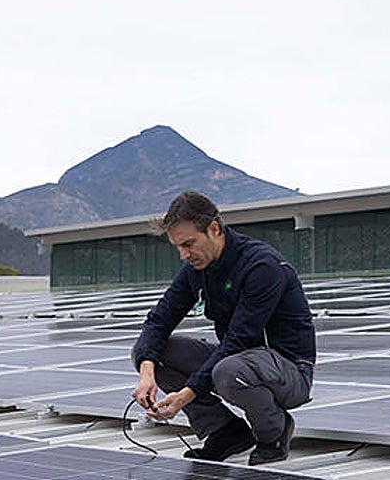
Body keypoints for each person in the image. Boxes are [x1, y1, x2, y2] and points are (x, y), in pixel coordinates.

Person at [131, 191, 315, 464]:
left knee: (227, 369)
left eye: (189, 244)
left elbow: (239, 340)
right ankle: (225, 432)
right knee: (151, 353)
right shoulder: (198, 268)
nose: (183, 255)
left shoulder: (262, 266)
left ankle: (273, 431)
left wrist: (186, 394)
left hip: (288, 371)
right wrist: (147, 373)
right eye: (177, 247)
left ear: (214, 229)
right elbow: (160, 319)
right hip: (238, 362)